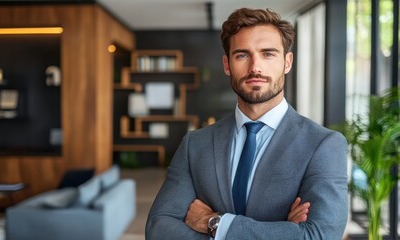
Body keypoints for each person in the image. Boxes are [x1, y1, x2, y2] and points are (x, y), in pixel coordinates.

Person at [146, 8, 348, 240]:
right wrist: (284, 231)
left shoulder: (323, 145)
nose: (255, 67)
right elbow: (158, 229)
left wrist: (215, 224)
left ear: (287, 62)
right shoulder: (195, 144)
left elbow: (319, 235)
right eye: (242, 55)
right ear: (227, 64)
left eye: (268, 54)